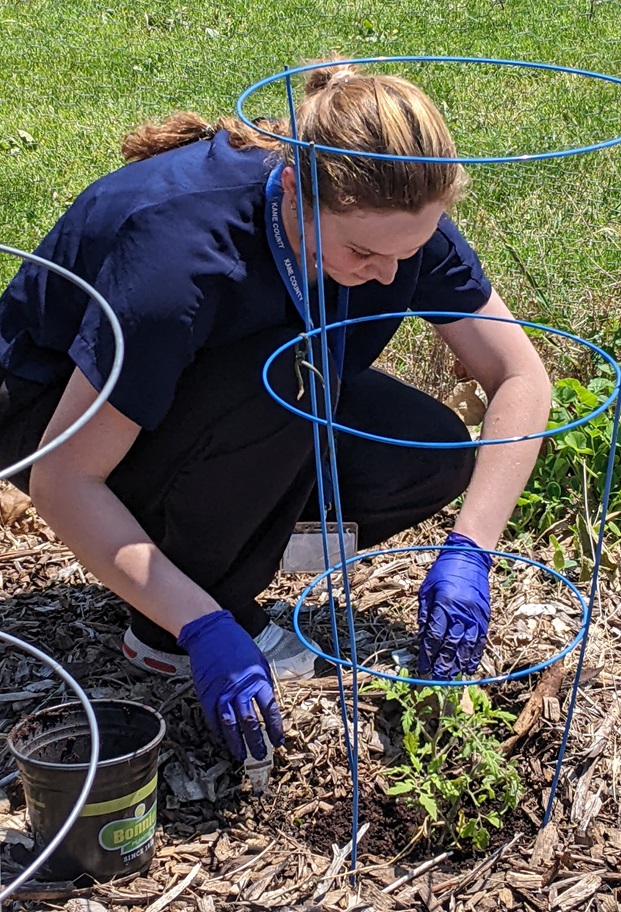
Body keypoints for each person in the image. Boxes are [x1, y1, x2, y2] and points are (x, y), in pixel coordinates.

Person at [0, 59, 550, 763]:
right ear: (293, 187)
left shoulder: (395, 225)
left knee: (425, 450)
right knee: (290, 376)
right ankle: (174, 622)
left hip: (243, 391)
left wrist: (471, 548)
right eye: (364, 252)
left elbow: (519, 376)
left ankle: (213, 551)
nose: (390, 274)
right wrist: (203, 625)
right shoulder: (181, 262)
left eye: (409, 251)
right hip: (52, 414)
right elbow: (62, 478)